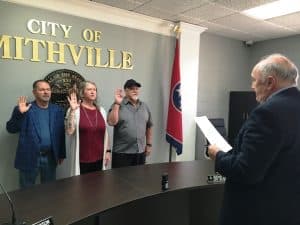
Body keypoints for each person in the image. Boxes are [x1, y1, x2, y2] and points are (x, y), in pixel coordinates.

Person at [208, 54, 300, 225]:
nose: (252, 86)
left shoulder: (268, 113)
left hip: (256, 213)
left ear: (270, 82)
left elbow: (246, 172)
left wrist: (217, 155)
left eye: (254, 80)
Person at [6, 80, 66, 189]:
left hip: (50, 157)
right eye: (42, 90)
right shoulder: (25, 108)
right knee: (26, 191)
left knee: (49, 190)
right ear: (34, 92)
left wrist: (61, 153)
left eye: (48, 89)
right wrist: (20, 113)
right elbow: (11, 129)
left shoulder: (57, 110)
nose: (46, 92)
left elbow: (60, 133)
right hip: (29, 156)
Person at [65, 81, 110, 175]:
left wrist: (108, 151)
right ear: (82, 93)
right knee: (81, 188)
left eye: (94, 89)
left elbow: (105, 133)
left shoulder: (101, 111)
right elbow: (69, 131)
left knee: (98, 186)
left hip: (99, 159)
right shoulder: (75, 110)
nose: (93, 92)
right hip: (82, 160)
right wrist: (72, 111)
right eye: (89, 89)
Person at [107, 79, 153, 168]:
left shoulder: (144, 106)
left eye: (137, 88)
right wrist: (117, 103)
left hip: (140, 152)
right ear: (126, 91)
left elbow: (149, 126)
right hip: (122, 153)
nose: (135, 91)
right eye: (132, 89)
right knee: (120, 181)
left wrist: (149, 145)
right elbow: (111, 122)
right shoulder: (117, 104)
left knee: (138, 180)